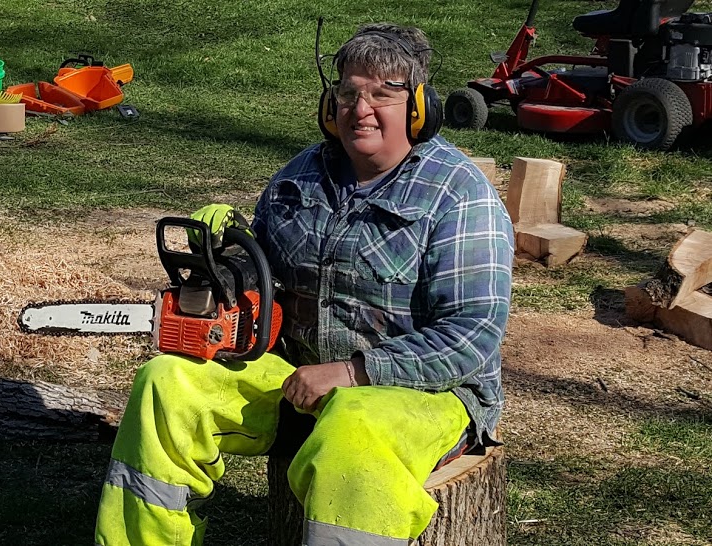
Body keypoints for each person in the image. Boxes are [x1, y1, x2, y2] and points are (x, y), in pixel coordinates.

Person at [94, 22, 514, 546]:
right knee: (166, 384)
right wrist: (227, 260)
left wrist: (354, 373)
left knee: (353, 428)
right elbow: (263, 281)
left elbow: (472, 335)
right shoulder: (300, 178)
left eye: (382, 95)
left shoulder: (458, 194)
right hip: (297, 377)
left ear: (418, 108)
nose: (361, 109)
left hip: (422, 395)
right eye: (349, 93)